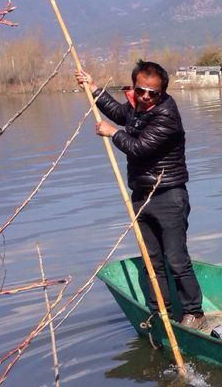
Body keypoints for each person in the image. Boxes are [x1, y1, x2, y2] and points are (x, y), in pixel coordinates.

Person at [76, 61, 205, 327]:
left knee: (177, 259)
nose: (145, 96)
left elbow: (140, 148)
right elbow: (120, 114)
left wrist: (112, 133)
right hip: (142, 195)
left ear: (162, 93)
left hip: (168, 195)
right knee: (152, 260)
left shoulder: (167, 115)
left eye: (152, 93)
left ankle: (195, 312)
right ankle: (161, 311)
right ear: (135, 88)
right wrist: (94, 88)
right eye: (141, 90)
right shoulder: (137, 106)